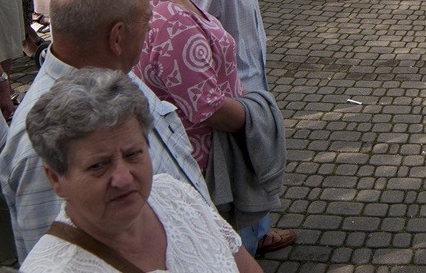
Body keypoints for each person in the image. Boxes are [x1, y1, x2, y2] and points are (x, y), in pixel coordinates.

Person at [103, 0, 296, 257]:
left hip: (186, 150)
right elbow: (208, 108)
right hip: (204, 162)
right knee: (222, 246)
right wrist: (259, 115)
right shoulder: (175, 24)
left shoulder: (156, 3)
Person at [0, 0, 210, 259]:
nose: (150, 31)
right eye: (146, 23)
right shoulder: (41, 144)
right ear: (117, 37)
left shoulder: (113, 70)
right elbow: (59, 255)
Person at [19, 69, 261, 272]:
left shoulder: (175, 195)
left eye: (133, 154)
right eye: (98, 166)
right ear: (56, 178)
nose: (124, 179)